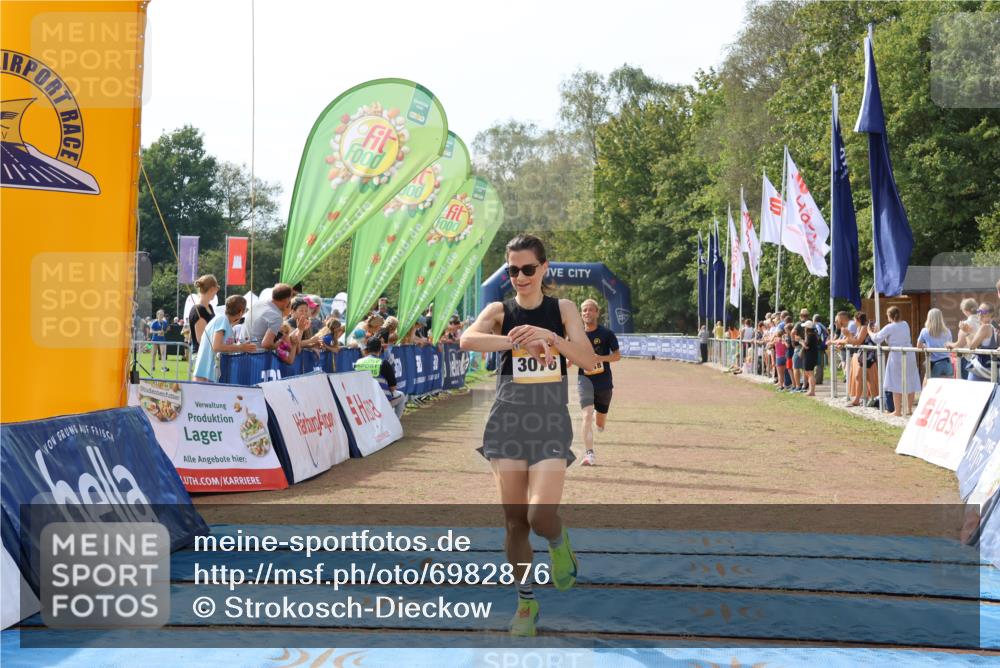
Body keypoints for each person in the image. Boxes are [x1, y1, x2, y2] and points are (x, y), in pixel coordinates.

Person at [459, 234, 598, 637]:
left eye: (528, 269)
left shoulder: (564, 309)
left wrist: (550, 338)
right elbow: (467, 339)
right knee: (515, 521)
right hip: (507, 421)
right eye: (513, 270)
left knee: (539, 516)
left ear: (544, 269)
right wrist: (516, 340)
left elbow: (588, 360)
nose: (520, 277)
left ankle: (558, 541)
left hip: (549, 421)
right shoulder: (499, 310)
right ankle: (525, 603)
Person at [576, 299, 620, 467]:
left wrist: (600, 358)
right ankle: (589, 454)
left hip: (604, 384)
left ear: (597, 313)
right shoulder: (576, 335)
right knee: (586, 416)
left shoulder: (607, 334)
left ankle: (599, 417)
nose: (587, 313)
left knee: (600, 423)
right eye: (584, 310)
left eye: (590, 310)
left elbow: (617, 356)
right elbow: (569, 356)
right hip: (584, 381)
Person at [869, 305, 920, 416]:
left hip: (896, 356)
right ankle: (909, 409)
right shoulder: (905, 324)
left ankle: (897, 411)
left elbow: (876, 339)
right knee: (910, 379)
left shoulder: (890, 327)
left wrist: (870, 331)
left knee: (895, 381)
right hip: (909, 354)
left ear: (889, 316)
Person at [192, 296, 256, 382]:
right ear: (241, 312)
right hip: (206, 374)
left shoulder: (224, 321)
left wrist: (240, 346)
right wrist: (241, 347)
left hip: (209, 373)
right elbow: (216, 347)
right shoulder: (222, 320)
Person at [354, 337, 406, 418]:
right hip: (380, 401)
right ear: (380, 349)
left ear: (367, 349)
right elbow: (393, 387)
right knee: (401, 396)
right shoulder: (384, 363)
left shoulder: (358, 362)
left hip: (362, 400)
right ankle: (395, 423)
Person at [248, 283, 295, 351]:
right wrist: (282, 342)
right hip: (257, 356)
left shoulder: (258, 303)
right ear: (286, 300)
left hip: (241, 354)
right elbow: (266, 344)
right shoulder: (276, 316)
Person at [962, 302, 999, 382]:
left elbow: (971, 346)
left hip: (980, 371)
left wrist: (966, 333)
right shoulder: (995, 326)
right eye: (978, 311)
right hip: (992, 371)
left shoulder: (985, 327)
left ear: (991, 313)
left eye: (984, 312)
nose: (980, 314)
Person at [917, 308, 954, 380]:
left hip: (934, 364)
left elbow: (919, 345)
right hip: (947, 363)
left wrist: (927, 346)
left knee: (929, 386)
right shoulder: (947, 331)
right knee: (947, 388)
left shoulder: (925, 331)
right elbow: (950, 345)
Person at [189, 275, 219, 358]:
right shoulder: (198, 309)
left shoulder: (209, 307)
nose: (217, 291)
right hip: (200, 355)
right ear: (212, 289)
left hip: (209, 353)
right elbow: (201, 339)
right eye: (217, 288)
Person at [801, 320, 818, 396]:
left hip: (810, 356)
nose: (804, 328)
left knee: (810, 373)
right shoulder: (812, 335)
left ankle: (812, 391)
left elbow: (806, 346)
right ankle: (811, 390)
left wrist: (800, 341)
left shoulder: (810, 335)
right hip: (810, 356)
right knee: (809, 373)